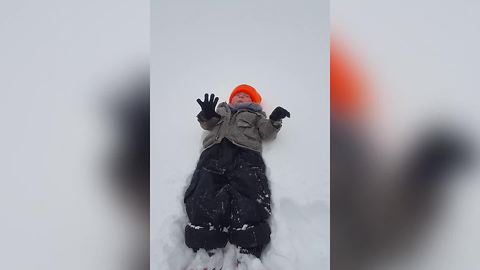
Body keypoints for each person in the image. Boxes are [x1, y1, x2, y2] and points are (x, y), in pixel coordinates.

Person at [184, 84, 290, 270]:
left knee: (249, 193)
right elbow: (208, 124)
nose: (241, 98)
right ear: (231, 99)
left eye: (246, 96)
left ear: (254, 102)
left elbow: (266, 133)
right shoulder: (221, 111)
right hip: (213, 154)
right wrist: (207, 114)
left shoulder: (257, 116)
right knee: (204, 191)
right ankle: (206, 248)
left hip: (246, 155)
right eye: (237, 95)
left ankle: (248, 250)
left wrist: (274, 121)